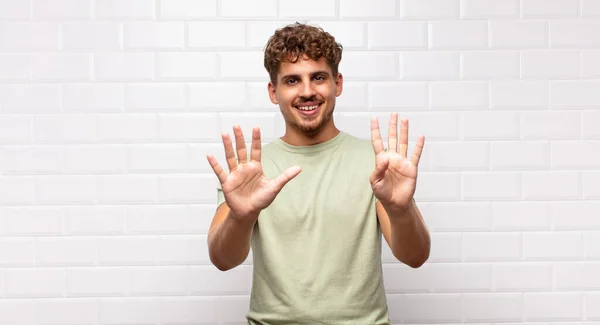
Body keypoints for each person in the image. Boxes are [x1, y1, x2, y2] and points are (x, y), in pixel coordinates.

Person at [206, 22, 431, 325]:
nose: (307, 91)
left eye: (318, 77)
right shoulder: (250, 172)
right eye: (292, 81)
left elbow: (415, 257)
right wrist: (241, 215)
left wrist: (400, 208)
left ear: (337, 83)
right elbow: (223, 260)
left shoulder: (376, 164)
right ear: (274, 91)